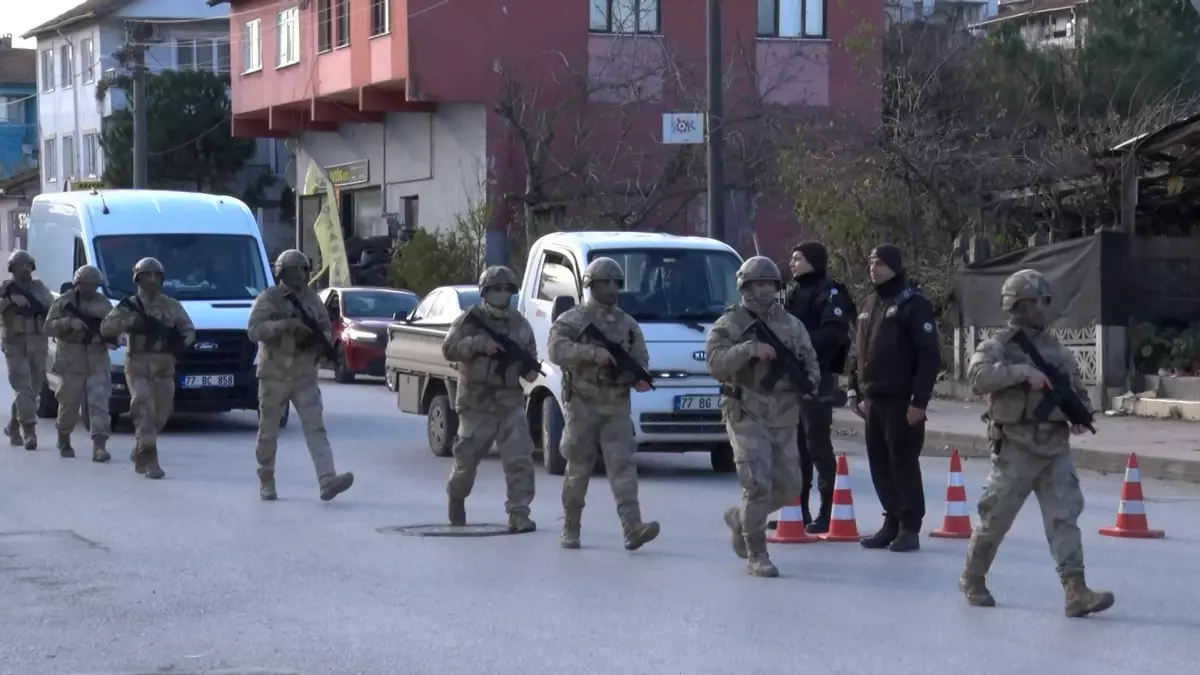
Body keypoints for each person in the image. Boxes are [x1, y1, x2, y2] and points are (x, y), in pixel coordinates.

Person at [962, 269, 1114, 617]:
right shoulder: (999, 345)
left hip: (1054, 447)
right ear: (1016, 304)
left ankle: (1076, 590)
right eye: (1034, 301)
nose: (1042, 307)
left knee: (1065, 518)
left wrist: (1081, 415)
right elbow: (977, 376)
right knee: (995, 518)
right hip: (1015, 446)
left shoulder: (1057, 349)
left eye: (1044, 300)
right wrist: (1021, 373)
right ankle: (973, 577)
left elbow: (1076, 389)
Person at [708, 256, 820, 577]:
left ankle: (741, 518)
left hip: (784, 413)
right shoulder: (730, 324)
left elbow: (809, 360)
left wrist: (810, 383)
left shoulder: (792, 325)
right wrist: (748, 350)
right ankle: (757, 553)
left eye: (770, 284)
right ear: (744, 287)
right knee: (757, 485)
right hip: (746, 411)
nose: (765, 290)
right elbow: (715, 363)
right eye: (758, 284)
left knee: (790, 486)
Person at [548, 257, 660, 551]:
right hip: (582, 406)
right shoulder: (573, 319)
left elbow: (640, 360)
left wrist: (638, 378)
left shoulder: (628, 325)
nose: (611, 288)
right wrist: (590, 353)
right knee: (578, 469)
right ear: (591, 285)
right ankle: (571, 527)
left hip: (616, 407)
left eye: (615, 283)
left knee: (624, 468)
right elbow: (556, 349)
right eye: (604, 282)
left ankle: (633, 528)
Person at [846, 244, 940, 552]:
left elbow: (928, 355)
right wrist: (853, 388)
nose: (874, 268)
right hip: (873, 398)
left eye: (881, 263)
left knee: (902, 462)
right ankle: (892, 520)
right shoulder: (869, 302)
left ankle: (909, 526)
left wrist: (919, 401)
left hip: (902, 400)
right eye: (872, 262)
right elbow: (857, 349)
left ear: (896, 267)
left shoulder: (914, 304)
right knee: (880, 463)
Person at [246, 249, 354, 502]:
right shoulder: (270, 299)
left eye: (302, 269)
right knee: (268, 432)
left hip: (304, 375)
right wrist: (284, 326)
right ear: (282, 273)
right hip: (274, 375)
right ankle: (266, 478)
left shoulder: (312, 299)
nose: (299, 274)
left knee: (316, 428)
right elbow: (253, 330)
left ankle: (327, 478)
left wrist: (321, 348)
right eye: (293, 269)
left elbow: (325, 328)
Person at [441, 266, 539, 532]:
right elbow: (448, 349)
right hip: (476, 402)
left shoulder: (520, 324)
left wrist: (529, 370)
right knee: (466, 461)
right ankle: (456, 497)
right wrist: (477, 345)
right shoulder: (470, 320)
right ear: (485, 292)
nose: (501, 293)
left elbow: (530, 359)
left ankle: (519, 512)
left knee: (520, 459)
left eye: (506, 289)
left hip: (510, 402)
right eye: (496, 289)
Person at [780, 241, 854, 534]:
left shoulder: (830, 293)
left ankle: (828, 510)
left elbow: (834, 334)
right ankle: (798, 509)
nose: (792, 263)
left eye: (798, 258)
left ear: (813, 261)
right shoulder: (794, 293)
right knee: (796, 445)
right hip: (792, 375)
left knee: (817, 443)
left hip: (818, 374)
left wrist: (799, 344)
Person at [100, 257, 196, 479]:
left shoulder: (171, 305)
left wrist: (179, 344)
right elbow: (106, 328)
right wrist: (132, 323)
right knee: (144, 408)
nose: (152, 280)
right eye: (147, 275)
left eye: (156, 275)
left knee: (162, 412)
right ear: (138, 278)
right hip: (138, 364)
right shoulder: (129, 306)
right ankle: (151, 460)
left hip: (164, 366)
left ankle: (139, 449)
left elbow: (189, 330)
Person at [42, 265, 116, 461]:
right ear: (78, 283)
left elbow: (114, 326)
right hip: (71, 361)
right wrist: (68, 323)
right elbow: (48, 327)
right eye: (86, 284)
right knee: (69, 404)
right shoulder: (63, 302)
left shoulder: (103, 304)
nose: (90, 289)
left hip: (97, 360)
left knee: (99, 403)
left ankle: (99, 446)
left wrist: (110, 338)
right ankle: (64, 438)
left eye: (94, 285)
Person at [1, 250, 54, 450]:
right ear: (12, 269)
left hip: (38, 342)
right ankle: (29, 431)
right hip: (14, 343)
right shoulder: (6, 288)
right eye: (19, 266)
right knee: (23, 387)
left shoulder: (39, 287)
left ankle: (13, 425)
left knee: (34, 389)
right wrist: (9, 301)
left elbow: (52, 308)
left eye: (27, 266)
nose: (24, 269)